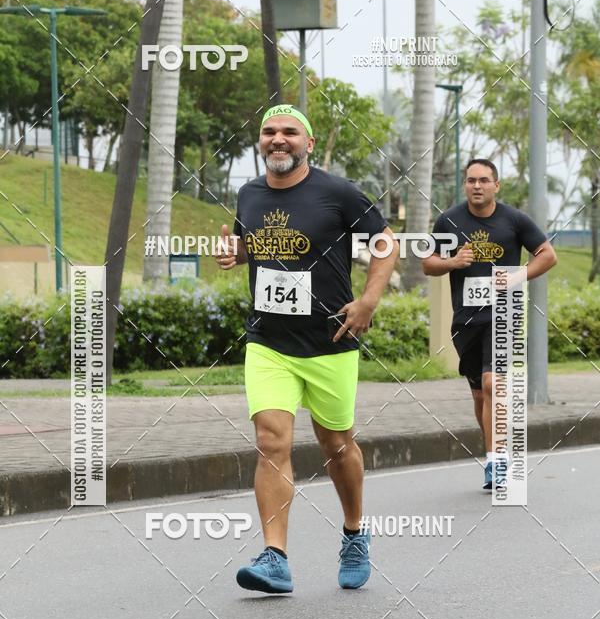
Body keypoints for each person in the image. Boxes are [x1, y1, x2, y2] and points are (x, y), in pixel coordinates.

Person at [216, 104, 398, 593]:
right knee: (272, 441)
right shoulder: (248, 193)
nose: (279, 139)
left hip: (329, 343)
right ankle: (275, 557)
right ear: (261, 142)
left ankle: (355, 532)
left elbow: (385, 243)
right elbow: (249, 241)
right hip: (269, 343)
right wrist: (236, 252)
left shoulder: (336, 192)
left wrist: (367, 302)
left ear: (308, 143)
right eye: (270, 131)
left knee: (336, 446)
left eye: (290, 132)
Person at [422, 158, 557, 489]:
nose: (477, 186)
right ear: (465, 185)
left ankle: (497, 463)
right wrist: (452, 261)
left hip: (504, 315)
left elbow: (547, 255)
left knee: (492, 384)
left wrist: (518, 276)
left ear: (496, 185)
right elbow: (428, 264)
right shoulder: (448, 221)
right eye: (471, 180)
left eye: (484, 180)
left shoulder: (514, 220)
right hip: (466, 320)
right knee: (480, 395)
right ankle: (496, 454)